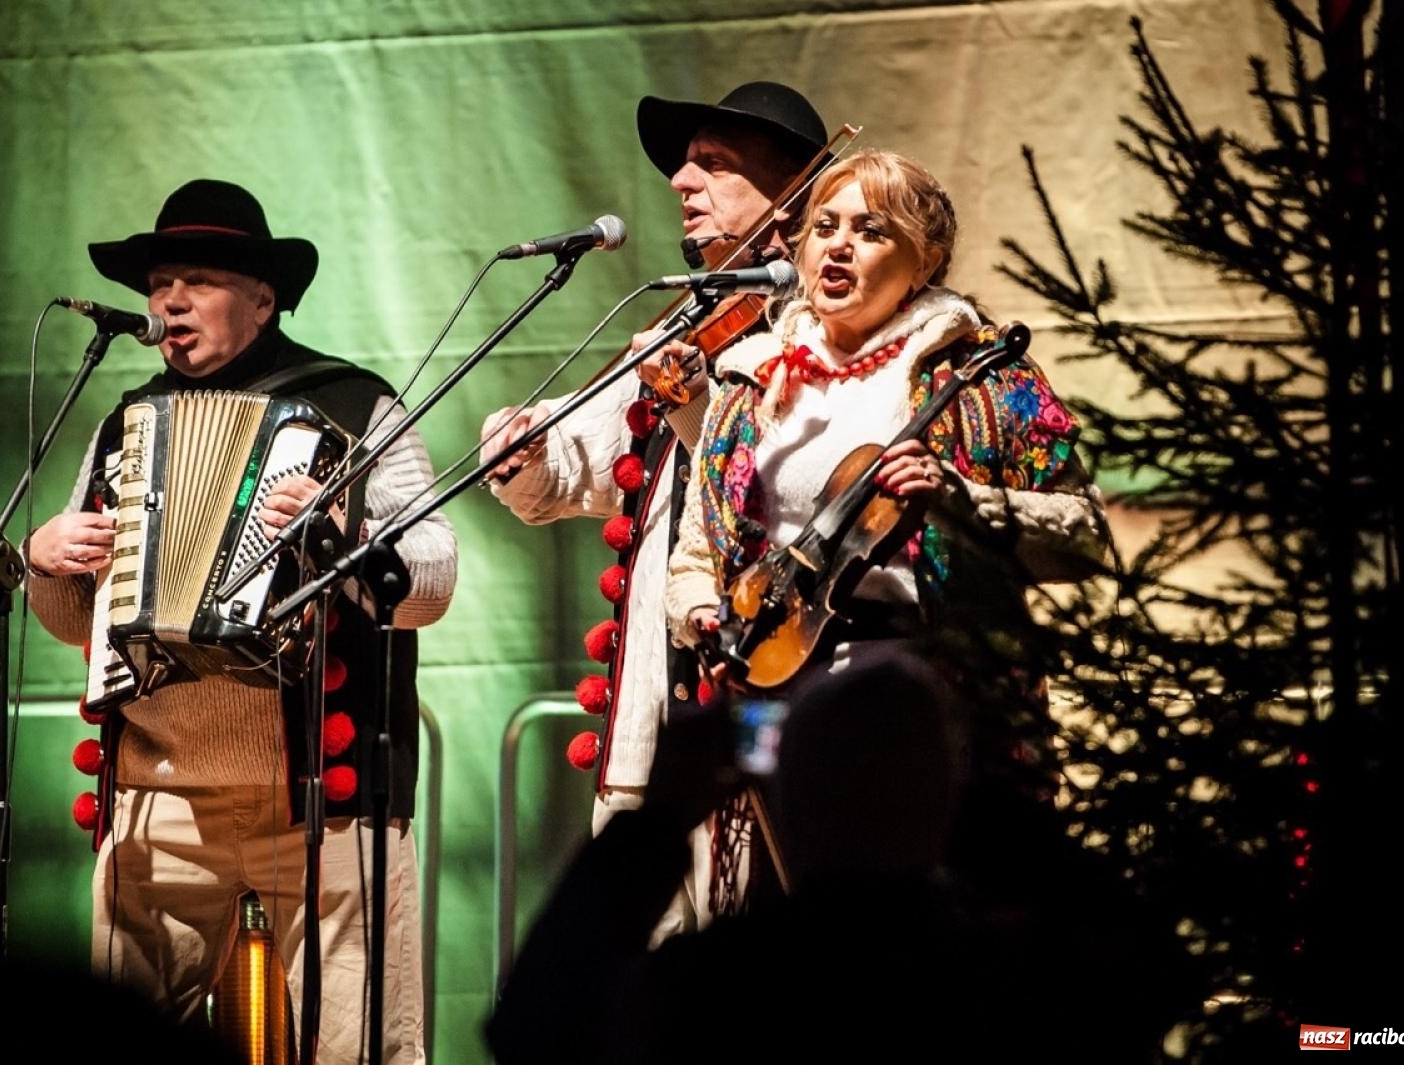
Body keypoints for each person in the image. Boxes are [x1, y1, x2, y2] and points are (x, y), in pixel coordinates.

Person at [25, 179, 456, 1063]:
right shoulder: (123, 422)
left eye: (199, 280)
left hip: (322, 798)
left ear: (263, 298)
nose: (169, 301)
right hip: (158, 790)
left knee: (357, 1048)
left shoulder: (355, 404)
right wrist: (46, 557)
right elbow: (76, 623)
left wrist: (345, 536)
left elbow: (432, 584)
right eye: (159, 283)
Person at [478, 82, 832, 938]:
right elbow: (578, 463)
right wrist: (527, 451)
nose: (681, 179)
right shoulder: (698, 317)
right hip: (655, 730)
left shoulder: (826, 334)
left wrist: (690, 403)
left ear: (790, 198)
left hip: (766, 720)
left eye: (714, 164)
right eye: (685, 163)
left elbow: (782, 491)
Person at [485, 643, 1195, 1065]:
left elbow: (535, 1028)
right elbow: (1161, 973)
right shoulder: (1015, 976)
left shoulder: (730, 985)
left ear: (788, 802)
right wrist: (987, 806)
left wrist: (662, 818)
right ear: (948, 802)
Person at [665, 148, 1109, 698]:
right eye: (824, 227)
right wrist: (703, 613)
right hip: (772, 686)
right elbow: (696, 557)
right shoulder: (750, 377)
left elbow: (1084, 534)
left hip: (936, 687)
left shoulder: (982, 374)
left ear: (924, 264)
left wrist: (960, 499)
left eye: (871, 231)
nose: (838, 245)